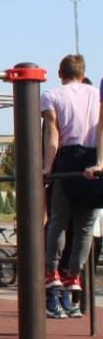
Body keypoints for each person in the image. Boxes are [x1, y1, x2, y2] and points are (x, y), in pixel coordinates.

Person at [45, 54, 101, 318]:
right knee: (85, 226)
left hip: (68, 157)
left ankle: (51, 271)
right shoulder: (96, 94)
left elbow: (52, 133)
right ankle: (74, 275)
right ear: (83, 73)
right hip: (93, 158)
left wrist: (48, 168)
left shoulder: (52, 95)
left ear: (60, 73)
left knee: (59, 220)